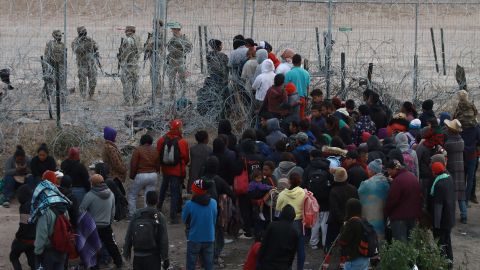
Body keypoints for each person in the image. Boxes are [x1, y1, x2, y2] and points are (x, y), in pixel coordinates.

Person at [80, 174, 123, 268]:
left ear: (93, 184)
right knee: (111, 244)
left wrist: (88, 220)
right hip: (106, 225)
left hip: (93, 226)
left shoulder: (90, 195)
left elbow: (81, 209)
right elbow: (113, 211)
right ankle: (119, 262)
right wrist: (109, 222)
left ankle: (94, 266)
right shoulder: (111, 194)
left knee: (93, 246)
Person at [30, 171, 71, 269]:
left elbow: (42, 234)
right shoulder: (63, 206)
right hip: (62, 249)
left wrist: (37, 252)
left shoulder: (44, 211)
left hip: (49, 251)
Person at [123, 191, 170, 270]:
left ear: (146, 200)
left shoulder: (136, 214)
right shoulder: (159, 216)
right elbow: (163, 239)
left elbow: (129, 234)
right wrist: (165, 258)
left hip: (137, 256)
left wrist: (126, 253)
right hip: (153, 257)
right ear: (157, 201)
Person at [157, 119, 190, 224]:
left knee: (163, 189)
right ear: (179, 128)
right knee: (175, 193)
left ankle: (158, 208)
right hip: (177, 171)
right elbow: (186, 158)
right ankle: (173, 216)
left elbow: (158, 154)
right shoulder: (182, 142)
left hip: (165, 170)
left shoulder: (161, 140)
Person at [182, 179, 217, 270]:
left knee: (191, 264)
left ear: (196, 191)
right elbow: (214, 219)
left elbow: (184, 219)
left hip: (194, 238)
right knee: (209, 265)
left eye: (192, 189)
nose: (191, 191)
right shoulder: (213, 202)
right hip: (209, 237)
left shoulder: (189, 204)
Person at [384, 159, 422, 242]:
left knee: (401, 246)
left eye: (389, 170)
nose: (388, 173)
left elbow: (392, 201)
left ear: (395, 169)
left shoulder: (398, 181)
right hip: (413, 216)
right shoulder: (412, 176)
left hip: (399, 219)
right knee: (411, 244)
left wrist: (386, 213)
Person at [275, 173, 306, 270]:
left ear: (289, 181)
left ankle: (288, 267)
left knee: (286, 248)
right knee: (300, 248)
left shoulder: (283, 194)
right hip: (299, 222)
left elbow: (278, 208)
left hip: (286, 223)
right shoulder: (302, 192)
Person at [303, 149, 333, 250]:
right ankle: (325, 243)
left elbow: (304, 183)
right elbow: (332, 181)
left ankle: (313, 243)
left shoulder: (309, 167)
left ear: (312, 156)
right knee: (325, 222)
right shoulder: (327, 166)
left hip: (312, 199)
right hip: (326, 199)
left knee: (315, 221)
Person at [325, 168, 358, 251]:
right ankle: (344, 258)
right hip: (350, 219)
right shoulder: (353, 189)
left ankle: (327, 255)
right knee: (348, 240)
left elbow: (334, 208)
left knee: (330, 240)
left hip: (335, 220)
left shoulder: (334, 191)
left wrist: (341, 219)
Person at [257, 204, 299, 270]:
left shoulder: (272, 226)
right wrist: (289, 264)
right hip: (283, 265)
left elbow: (264, 245)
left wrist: (259, 260)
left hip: (268, 263)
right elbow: (293, 252)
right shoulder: (295, 232)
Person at [430, 162, 455, 265]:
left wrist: (436, 225)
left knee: (441, 243)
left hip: (442, 221)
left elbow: (438, 206)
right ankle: (450, 261)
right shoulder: (449, 178)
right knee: (447, 241)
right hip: (450, 216)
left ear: (435, 172)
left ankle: (443, 263)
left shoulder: (439, 185)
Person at [358, 159, 390, 240]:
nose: (367, 171)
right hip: (382, 216)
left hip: (370, 216)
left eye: (369, 170)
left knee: (371, 238)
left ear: (373, 171)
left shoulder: (366, 184)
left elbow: (359, 192)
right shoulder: (386, 182)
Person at [128, 134, 159, 217]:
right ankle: (148, 215)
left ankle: (132, 214)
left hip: (141, 174)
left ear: (142, 141)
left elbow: (134, 164)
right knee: (148, 196)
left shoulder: (138, 150)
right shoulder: (155, 150)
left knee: (132, 195)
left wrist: (132, 175)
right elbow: (157, 164)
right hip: (153, 175)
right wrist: (156, 171)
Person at [443, 119, 467, 223]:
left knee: (451, 194)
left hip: (451, 169)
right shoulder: (461, 141)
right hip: (460, 169)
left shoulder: (448, 143)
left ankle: (451, 215)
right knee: (461, 193)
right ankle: (464, 215)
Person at [339, 198, 370, 270]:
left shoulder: (352, 222)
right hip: (365, 257)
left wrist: (344, 227)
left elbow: (343, 241)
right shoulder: (364, 220)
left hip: (354, 258)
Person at [9, 185, 35, 270]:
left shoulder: (26, 207)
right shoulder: (35, 203)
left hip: (26, 239)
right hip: (35, 239)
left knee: (13, 256)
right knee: (32, 261)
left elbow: (24, 225)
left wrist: (17, 237)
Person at [71, 26, 98, 99]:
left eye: (85, 31)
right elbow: (76, 50)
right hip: (82, 64)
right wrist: (86, 46)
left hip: (91, 63)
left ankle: (91, 95)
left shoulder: (89, 39)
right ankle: (83, 96)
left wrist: (94, 47)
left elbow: (96, 46)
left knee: (93, 81)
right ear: (79, 33)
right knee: (83, 81)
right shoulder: (76, 41)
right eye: (82, 31)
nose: (84, 33)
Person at [167, 22, 192, 100]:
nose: (172, 31)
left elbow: (189, 47)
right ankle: (172, 96)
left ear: (178, 29)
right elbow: (169, 48)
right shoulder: (172, 39)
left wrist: (181, 47)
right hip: (172, 61)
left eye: (174, 29)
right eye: (172, 29)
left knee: (182, 79)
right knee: (171, 79)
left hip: (180, 60)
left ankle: (183, 95)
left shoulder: (184, 38)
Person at [118, 25, 142, 105]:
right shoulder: (137, 38)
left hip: (128, 64)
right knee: (136, 82)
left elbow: (125, 53)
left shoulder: (128, 40)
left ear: (128, 31)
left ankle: (127, 101)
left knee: (127, 82)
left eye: (126, 31)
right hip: (136, 63)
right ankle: (136, 100)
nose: (125, 32)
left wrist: (121, 59)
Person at [43, 30, 66, 104]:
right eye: (58, 36)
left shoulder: (62, 45)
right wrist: (48, 67)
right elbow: (46, 55)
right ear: (54, 36)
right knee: (51, 84)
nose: (60, 37)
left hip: (61, 67)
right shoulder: (50, 44)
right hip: (52, 66)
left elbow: (64, 57)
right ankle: (51, 100)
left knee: (62, 83)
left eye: (60, 36)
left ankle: (62, 100)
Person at [102, 126, 127, 193]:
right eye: (114, 135)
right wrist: (124, 170)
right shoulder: (110, 148)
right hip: (115, 176)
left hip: (111, 175)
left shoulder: (106, 146)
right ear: (111, 136)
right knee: (119, 197)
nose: (115, 137)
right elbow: (116, 163)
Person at [285, 54, 310, 119]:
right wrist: (306, 99)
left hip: (292, 99)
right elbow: (307, 87)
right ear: (300, 62)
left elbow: (285, 88)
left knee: (292, 119)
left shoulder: (289, 73)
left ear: (292, 62)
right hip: (302, 98)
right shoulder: (306, 73)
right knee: (301, 118)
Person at [144, 19, 165, 97]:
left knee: (156, 73)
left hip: (158, 55)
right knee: (152, 73)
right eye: (153, 24)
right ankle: (155, 90)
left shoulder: (161, 32)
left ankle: (158, 91)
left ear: (159, 24)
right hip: (152, 55)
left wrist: (153, 41)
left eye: (156, 24)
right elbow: (148, 42)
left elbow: (162, 42)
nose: (154, 25)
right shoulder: (153, 33)